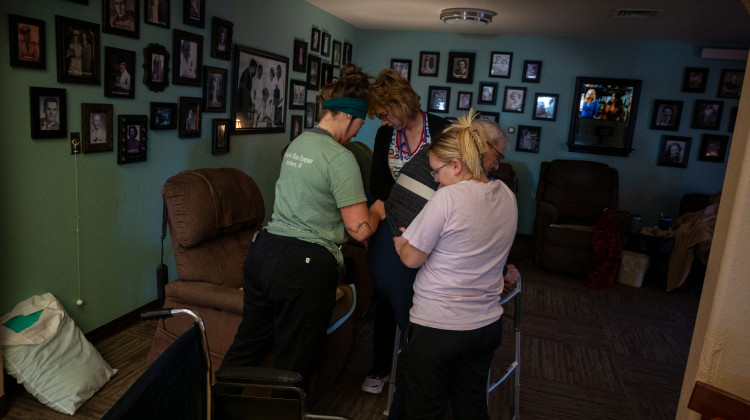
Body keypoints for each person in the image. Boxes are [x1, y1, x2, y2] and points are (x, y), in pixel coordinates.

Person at [221, 64, 385, 393]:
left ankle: (217, 408)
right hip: (304, 266)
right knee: (293, 364)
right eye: (360, 125)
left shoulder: (298, 143)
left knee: (248, 345)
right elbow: (360, 230)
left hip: (263, 252)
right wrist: (378, 210)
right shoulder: (341, 157)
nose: (357, 134)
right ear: (350, 117)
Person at [389, 111, 518, 420]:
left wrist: (402, 241)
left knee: (422, 410)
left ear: (457, 165)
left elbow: (410, 258)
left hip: (439, 327)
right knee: (471, 407)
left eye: (436, 171)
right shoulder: (507, 195)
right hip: (485, 325)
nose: (434, 179)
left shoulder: (447, 199)